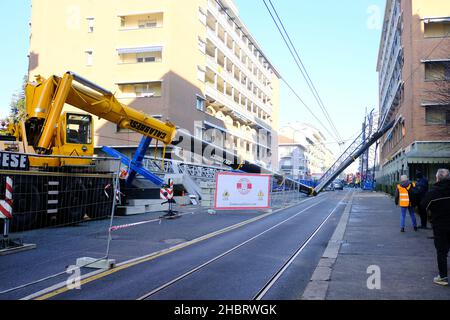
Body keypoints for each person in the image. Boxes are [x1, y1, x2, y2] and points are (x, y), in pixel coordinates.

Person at [420, 169, 450, 286]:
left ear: (437, 178)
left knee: (441, 251)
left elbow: (423, 206)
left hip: (440, 226)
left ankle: (443, 277)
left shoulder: (433, 193)